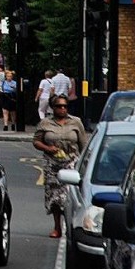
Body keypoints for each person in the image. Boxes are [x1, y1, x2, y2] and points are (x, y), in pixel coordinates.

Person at [33, 94, 89, 238]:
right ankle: (57, 227)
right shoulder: (45, 123)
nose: (62, 109)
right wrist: (47, 148)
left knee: (68, 194)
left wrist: (85, 164)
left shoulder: (76, 122)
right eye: (59, 106)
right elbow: (36, 141)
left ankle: (71, 226)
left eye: (65, 106)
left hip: (71, 161)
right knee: (54, 197)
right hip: (52, 163)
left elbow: (83, 145)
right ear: (53, 108)